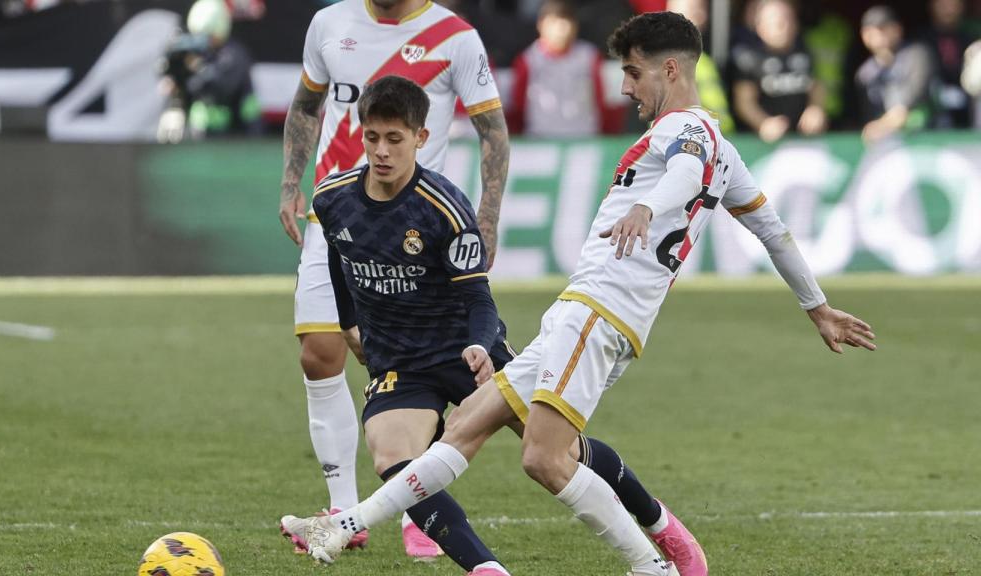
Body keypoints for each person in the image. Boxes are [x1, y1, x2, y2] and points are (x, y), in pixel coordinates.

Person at [283, 11, 877, 576]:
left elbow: (683, 174)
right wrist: (816, 306)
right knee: (466, 424)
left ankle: (651, 565)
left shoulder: (687, 132)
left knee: (544, 458)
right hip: (583, 311)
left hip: (599, 310)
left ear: (671, 70)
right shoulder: (725, 150)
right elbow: (771, 230)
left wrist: (648, 203)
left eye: (633, 72)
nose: (624, 87)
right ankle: (340, 526)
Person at [286, 74, 706, 576]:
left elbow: (478, 298)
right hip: (399, 362)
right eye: (372, 137)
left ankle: (659, 524)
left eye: (394, 139)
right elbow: (339, 258)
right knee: (394, 458)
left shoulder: (443, 207)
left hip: (466, 351)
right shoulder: (334, 198)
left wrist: (483, 345)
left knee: (560, 450)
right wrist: (350, 324)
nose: (381, 151)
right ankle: (488, 570)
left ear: (420, 138)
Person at [279, 0, 511, 560]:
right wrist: (291, 182)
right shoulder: (329, 23)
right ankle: (344, 512)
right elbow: (306, 105)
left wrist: (487, 216)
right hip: (337, 216)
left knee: (410, 364)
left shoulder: (454, 36)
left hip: (418, 230)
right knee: (319, 350)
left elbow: (492, 131)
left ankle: (416, 500)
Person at [508, 0, 621, 136]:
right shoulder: (528, 60)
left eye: (566, 22)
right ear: (541, 25)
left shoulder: (589, 56)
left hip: (584, 140)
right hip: (540, 141)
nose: (561, 30)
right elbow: (518, 106)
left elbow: (601, 102)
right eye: (555, 23)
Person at [157, 0, 262, 142]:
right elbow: (167, 73)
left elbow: (218, 87)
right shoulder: (193, 54)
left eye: (208, 37)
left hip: (237, 136)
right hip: (199, 138)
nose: (203, 43)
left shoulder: (233, 55)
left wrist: (194, 67)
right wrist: (175, 82)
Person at [731, 0, 828, 142]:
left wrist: (816, 109)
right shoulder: (748, 59)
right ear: (760, 27)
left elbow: (817, 87)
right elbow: (744, 102)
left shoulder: (805, 53)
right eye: (777, 22)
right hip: (764, 144)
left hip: (804, 139)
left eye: (789, 19)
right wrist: (763, 123)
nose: (784, 26)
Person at [855, 5, 937, 144]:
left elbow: (913, 99)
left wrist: (885, 124)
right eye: (872, 31)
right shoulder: (864, 74)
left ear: (898, 29)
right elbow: (866, 115)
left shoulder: (918, 55)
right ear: (864, 35)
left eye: (884, 29)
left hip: (928, 136)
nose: (879, 35)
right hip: (884, 144)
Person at [666, 0, 736, 134]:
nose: (699, 16)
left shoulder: (707, 59)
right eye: (692, 9)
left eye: (702, 10)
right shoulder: (658, 60)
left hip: (718, 141)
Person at [919, 0, 977, 128]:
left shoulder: (969, 38)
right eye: (944, 5)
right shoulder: (921, 39)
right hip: (932, 111)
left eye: (954, 5)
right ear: (932, 6)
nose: (949, 10)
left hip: (968, 109)